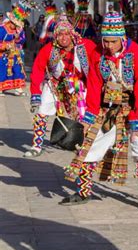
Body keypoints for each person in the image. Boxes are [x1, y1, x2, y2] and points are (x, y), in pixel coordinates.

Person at [61, 12, 138, 214]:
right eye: (104, 40)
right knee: (89, 146)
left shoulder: (137, 53)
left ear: (122, 38)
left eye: (112, 41)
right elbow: (95, 86)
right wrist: (89, 117)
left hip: (133, 108)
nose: (107, 45)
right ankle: (83, 191)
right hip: (107, 109)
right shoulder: (97, 54)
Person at [26, 14, 97, 157]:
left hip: (78, 84)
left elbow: (98, 61)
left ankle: (83, 144)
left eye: (66, 34)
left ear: (72, 34)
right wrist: (35, 94)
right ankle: (37, 145)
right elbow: (37, 70)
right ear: (55, 36)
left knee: (84, 115)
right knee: (42, 110)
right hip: (55, 84)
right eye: (60, 35)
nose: (63, 38)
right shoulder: (48, 49)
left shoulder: (86, 46)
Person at [0, 0, 34, 96]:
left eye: (17, 25)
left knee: (18, 69)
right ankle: (1, 88)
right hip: (3, 55)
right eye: (14, 24)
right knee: (2, 71)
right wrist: (5, 46)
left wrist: (18, 38)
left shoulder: (17, 31)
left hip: (14, 53)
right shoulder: (2, 29)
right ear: (10, 22)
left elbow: (22, 40)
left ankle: (19, 89)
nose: (15, 27)